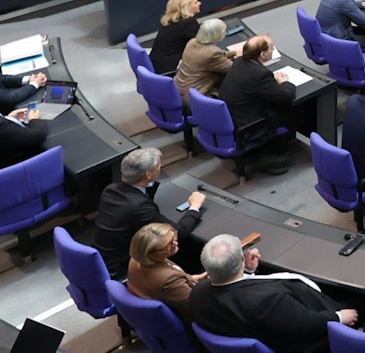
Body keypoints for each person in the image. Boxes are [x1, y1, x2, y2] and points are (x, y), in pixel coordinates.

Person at [191, 233, 355, 348]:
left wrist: (247, 271)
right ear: (241, 259)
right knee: (358, 301)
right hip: (300, 342)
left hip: (254, 331)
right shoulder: (268, 301)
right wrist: (339, 317)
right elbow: (304, 325)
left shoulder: (196, 293)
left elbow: (234, 293)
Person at [95, 146, 205, 279]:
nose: (161, 167)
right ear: (148, 174)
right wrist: (194, 207)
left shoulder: (110, 190)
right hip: (120, 269)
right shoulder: (139, 207)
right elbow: (176, 233)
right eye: (158, 166)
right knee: (187, 247)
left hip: (102, 258)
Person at [220, 37, 294, 173]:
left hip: (233, 119)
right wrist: (285, 82)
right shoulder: (259, 74)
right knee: (293, 111)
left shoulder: (239, 62)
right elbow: (286, 96)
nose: (273, 50)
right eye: (271, 48)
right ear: (263, 54)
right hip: (249, 127)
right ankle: (265, 155)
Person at [125, 222, 201, 322]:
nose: (176, 243)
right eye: (169, 244)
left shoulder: (136, 259)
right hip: (192, 317)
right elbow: (197, 306)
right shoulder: (168, 279)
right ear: (150, 252)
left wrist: (197, 277)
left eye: (174, 237)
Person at [177, 18, 233, 99]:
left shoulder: (192, 42)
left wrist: (234, 53)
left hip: (179, 90)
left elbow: (208, 55)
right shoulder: (212, 53)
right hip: (194, 97)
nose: (224, 34)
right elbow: (234, 69)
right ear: (216, 34)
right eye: (223, 31)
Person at [148, 0, 200, 75]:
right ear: (186, 7)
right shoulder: (189, 24)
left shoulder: (171, 20)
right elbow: (203, 46)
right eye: (195, 2)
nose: (199, 3)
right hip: (169, 71)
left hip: (156, 66)